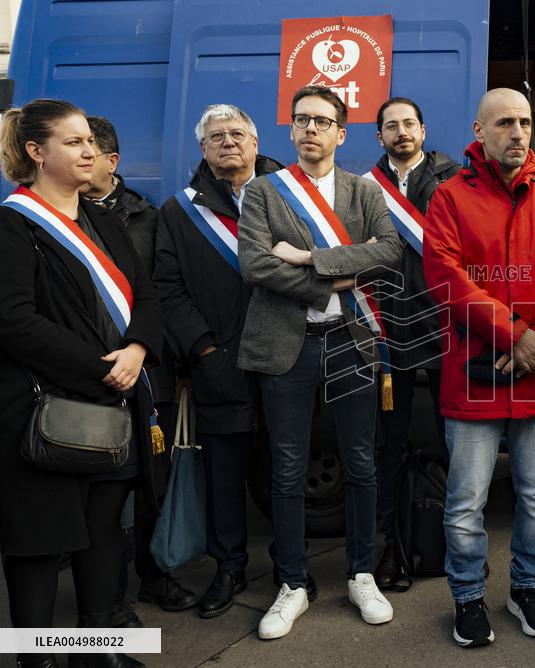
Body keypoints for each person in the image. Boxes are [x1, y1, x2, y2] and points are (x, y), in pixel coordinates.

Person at [423, 88, 535, 647]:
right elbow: (446, 277)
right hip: (475, 370)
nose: (518, 133)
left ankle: (527, 590)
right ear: (480, 130)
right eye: (504, 123)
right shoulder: (449, 197)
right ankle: (468, 598)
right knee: (467, 499)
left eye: (524, 122)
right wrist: (515, 334)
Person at [0, 98, 164, 668]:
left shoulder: (104, 220)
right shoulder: (12, 225)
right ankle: (35, 659)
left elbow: (149, 294)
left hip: (111, 407)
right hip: (40, 411)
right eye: (73, 142)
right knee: (40, 547)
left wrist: (139, 348)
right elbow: (14, 321)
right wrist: (105, 366)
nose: (89, 149)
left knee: (101, 538)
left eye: (90, 140)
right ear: (35, 152)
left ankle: (94, 651)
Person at [238, 85, 402, 639]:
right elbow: (256, 265)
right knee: (286, 470)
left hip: (349, 341)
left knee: (360, 464)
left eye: (322, 121)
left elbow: (389, 249)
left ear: (341, 132)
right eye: (301, 120)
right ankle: (292, 583)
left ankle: (360, 573)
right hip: (286, 346)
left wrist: (312, 258)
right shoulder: (264, 190)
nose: (310, 129)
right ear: (291, 130)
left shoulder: (362, 192)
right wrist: (328, 283)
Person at [154, 104, 283, 618]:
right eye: (216, 137)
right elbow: (167, 288)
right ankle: (227, 568)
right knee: (224, 476)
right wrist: (203, 349)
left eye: (237, 134)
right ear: (203, 149)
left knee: (283, 472)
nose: (228, 142)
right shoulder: (178, 212)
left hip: (284, 358)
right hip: (218, 363)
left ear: (255, 142)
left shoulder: (291, 195)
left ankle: (288, 571)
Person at [81, 115, 194, 628]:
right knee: (99, 494)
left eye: (88, 148)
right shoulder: (54, 217)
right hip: (85, 374)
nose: (79, 157)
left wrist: (156, 353)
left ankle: (152, 575)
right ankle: (108, 599)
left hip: (150, 372)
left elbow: (164, 293)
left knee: (153, 482)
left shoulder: (150, 218)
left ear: (112, 161)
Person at [368, 97, 461, 591]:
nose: (401, 132)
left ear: (423, 130)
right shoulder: (364, 187)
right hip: (388, 331)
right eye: (391, 126)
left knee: (457, 442)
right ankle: (391, 546)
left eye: (409, 124)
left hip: (447, 324)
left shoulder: (455, 179)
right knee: (389, 444)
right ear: (378, 137)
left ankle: (455, 545)